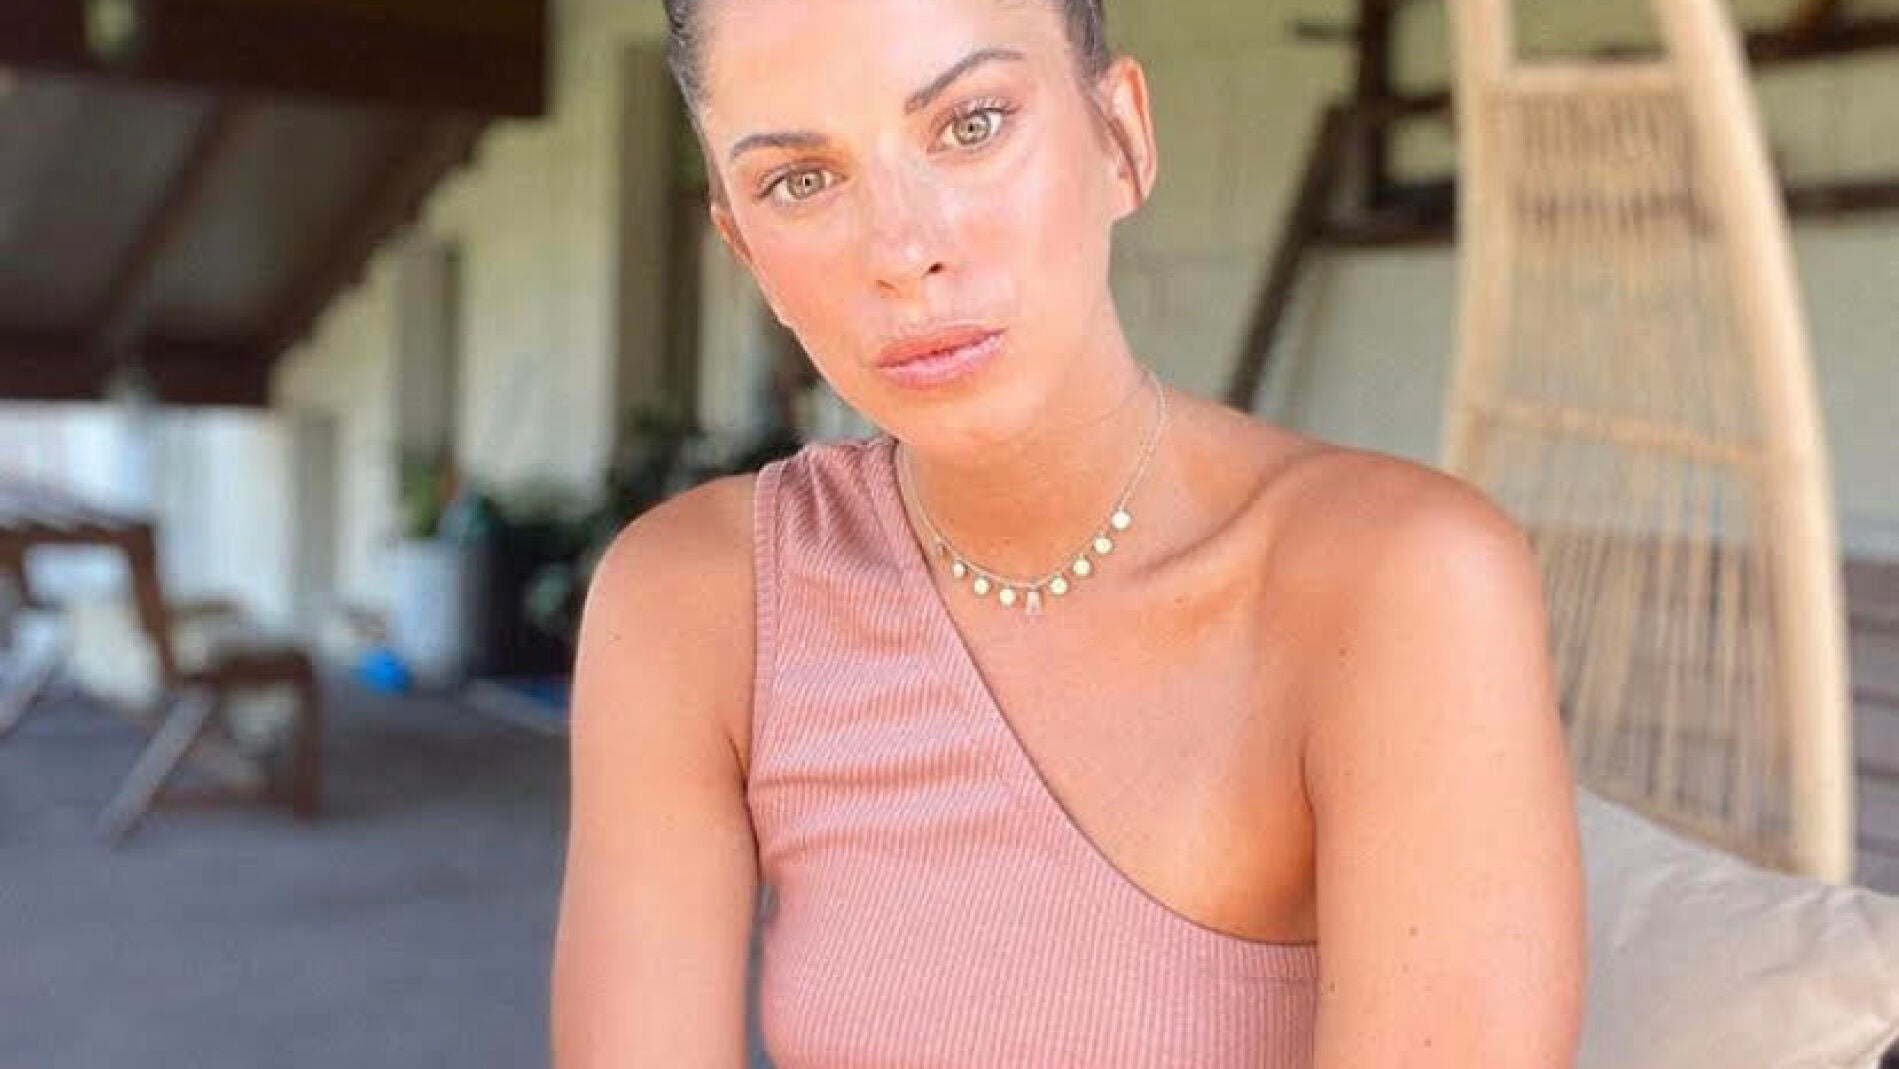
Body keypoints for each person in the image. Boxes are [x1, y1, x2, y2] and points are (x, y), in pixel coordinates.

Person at [550, 0, 1586, 1065]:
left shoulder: (1402, 584)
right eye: (801, 180)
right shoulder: (700, 604)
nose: (904, 251)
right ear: (743, 246)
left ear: (1121, 140)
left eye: (971, 124)